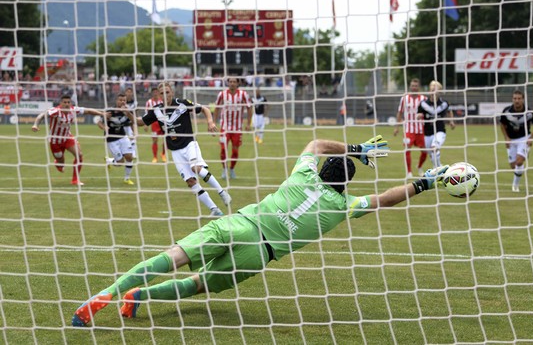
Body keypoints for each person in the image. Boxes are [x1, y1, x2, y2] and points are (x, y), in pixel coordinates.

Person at [71, 135, 449, 327]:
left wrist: (356, 148)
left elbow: (316, 142)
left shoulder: (302, 174)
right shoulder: (341, 207)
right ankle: (141, 298)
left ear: (320, 171)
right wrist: (425, 183)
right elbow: (384, 199)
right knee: (198, 285)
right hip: (259, 254)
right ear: (345, 186)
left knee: (172, 257)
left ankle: (103, 296)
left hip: (241, 224)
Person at [137, 81, 231, 216]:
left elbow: (204, 109)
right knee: (190, 181)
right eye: (162, 93)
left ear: (172, 93)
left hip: (189, 144)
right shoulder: (156, 110)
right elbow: (140, 122)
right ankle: (214, 209)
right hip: (175, 151)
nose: (165, 95)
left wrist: (210, 122)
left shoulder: (182, 104)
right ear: (158, 95)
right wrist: (128, 114)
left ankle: (222, 192)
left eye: (167, 92)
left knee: (196, 168)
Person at [31, 94, 103, 186]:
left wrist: (101, 113)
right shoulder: (55, 111)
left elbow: (88, 110)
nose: (67, 104)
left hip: (67, 138)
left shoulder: (73, 110)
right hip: (55, 141)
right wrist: (35, 124)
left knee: (79, 155)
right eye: (64, 102)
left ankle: (75, 180)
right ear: (61, 103)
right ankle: (58, 163)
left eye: (68, 102)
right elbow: (42, 115)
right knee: (61, 161)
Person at [499, 89, 533, 192]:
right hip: (511, 140)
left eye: (519, 98)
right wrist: (506, 138)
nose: (517, 100)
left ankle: (515, 186)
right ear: (512, 99)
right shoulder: (506, 111)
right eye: (515, 98)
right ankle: (522, 158)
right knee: (513, 166)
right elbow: (502, 124)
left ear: (523, 99)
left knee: (519, 162)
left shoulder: (529, 112)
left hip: (524, 138)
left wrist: (531, 138)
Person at [213, 76, 252, 179]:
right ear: (228, 83)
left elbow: (249, 108)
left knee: (235, 151)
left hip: (237, 128)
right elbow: (216, 108)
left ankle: (232, 169)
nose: (232, 83)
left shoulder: (243, 94)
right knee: (223, 149)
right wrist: (213, 123)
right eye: (230, 81)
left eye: (234, 82)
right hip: (224, 128)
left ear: (238, 83)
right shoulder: (222, 94)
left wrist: (248, 123)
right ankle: (224, 169)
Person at [393, 78, 428, 178]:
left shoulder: (424, 99)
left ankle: (420, 166)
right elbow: (400, 112)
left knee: (425, 151)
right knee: (407, 149)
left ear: (419, 87)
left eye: (416, 86)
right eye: (412, 86)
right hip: (408, 129)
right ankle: (409, 172)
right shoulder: (404, 98)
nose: (414, 87)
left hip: (421, 129)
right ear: (410, 87)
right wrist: (396, 127)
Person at [417, 80, 455, 169]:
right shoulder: (423, 104)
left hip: (439, 131)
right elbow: (418, 114)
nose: (434, 90)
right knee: (431, 153)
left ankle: (437, 170)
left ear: (440, 91)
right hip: (427, 133)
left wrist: (451, 121)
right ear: (429, 90)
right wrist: (418, 116)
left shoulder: (444, 104)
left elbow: (450, 112)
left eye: (436, 89)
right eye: (432, 88)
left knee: (434, 148)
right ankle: (440, 167)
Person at [99, 93, 135, 185]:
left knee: (129, 157)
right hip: (111, 139)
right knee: (120, 162)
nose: (122, 102)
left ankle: (127, 179)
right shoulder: (110, 111)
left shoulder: (127, 111)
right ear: (116, 101)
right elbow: (99, 122)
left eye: (124, 100)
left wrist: (134, 132)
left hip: (123, 136)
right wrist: (104, 127)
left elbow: (132, 122)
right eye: (120, 100)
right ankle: (109, 161)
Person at [144, 88, 166, 163]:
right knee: (155, 140)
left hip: (162, 122)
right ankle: (155, 157)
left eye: (157, 92)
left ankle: (163, 154)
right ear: (152, 93)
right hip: (154, 124)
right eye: (154, 92)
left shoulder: (162, 101)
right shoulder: (149, 102)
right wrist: (146, 124)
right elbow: (146, 113)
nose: (155, 93)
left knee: (166, 139)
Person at [123, 86, 138, 159]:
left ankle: (133, 153)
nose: (129, 93)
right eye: (127, 92)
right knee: (122, 139)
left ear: (132, 93)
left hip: (130, 124)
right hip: (122, 124)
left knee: (133, 138)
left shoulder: (135, 103)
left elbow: (136, 113)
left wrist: (135, 123)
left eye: (130, 92)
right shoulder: (122, 102)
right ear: (125, 93)